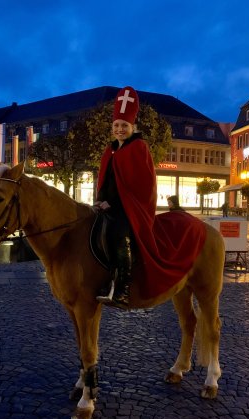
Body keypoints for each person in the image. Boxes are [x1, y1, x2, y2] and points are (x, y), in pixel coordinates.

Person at [93, 86, 154, 308]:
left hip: (129, 209)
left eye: (124, 126)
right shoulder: (110, 151)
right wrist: (99, 199)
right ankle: (105, 279)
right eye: (116, 125)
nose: (119, 129)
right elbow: (105, 179)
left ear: (132, 126)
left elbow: (140, 185)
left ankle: (123, 289)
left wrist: (114, 203)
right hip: (107, 205)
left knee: (119, 234)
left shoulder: (138, 147)